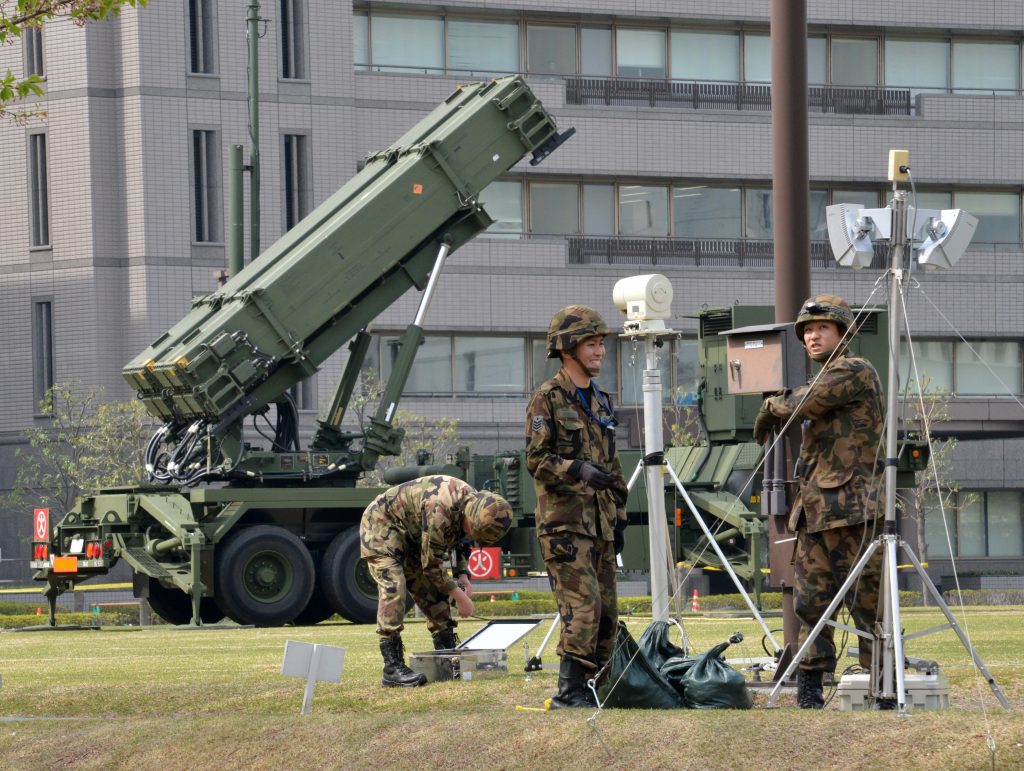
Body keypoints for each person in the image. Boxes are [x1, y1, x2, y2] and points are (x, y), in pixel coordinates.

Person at [753, 294, 884, 709]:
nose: (812, 336)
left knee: (868, 603)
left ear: (843, 333)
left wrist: (771, 405)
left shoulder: (852, 369)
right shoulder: (824, 376)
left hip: (851, 510)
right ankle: (810, 688)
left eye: (822, 328)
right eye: (807, 331)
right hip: (814, 511)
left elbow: (803, 403)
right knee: (811, 603)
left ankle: (884, 688)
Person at [525, 305, 629, 708]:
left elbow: (614, 465)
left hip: (600, 525)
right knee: (581, 608)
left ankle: (595, 688)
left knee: (607, 613)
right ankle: (570, 692)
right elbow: (536, 460)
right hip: (565, 526)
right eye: (591, 343)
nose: (600, 350)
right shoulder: (547, 399)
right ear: (567, 348)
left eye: (601, 343)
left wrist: (620, 517)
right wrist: (577, 469)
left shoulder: (601, 401)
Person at [359, 474, 513, 687]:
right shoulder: (440, 508)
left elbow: (460, 540)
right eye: (473, 530)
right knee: (394, 586)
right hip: (382, 524)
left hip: (413, 535)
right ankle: (392, 667)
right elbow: (431, 566)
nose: (472, 536)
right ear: (470, 516)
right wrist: (460, 598)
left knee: (433, 592)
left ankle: (446, 655)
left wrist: (463, 576)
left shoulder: (474, 503)